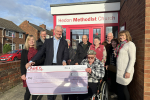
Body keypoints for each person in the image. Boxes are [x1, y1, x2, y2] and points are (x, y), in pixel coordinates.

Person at [25, 25, 69, 100]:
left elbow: (66, 53)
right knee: (50, 87)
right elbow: (40, 52)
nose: (59, 33)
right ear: (54, 31)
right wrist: (31, 61)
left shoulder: (64, 42)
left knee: (61, 86)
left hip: (59, 67)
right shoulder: (48, 41)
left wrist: (64, 60)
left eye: (60, 32)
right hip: (49, 67)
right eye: (57, 31)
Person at [20, 35, 45, 100]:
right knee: (28, 91)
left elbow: (43, 59)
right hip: (28, 74)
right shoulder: (24, 51)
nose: (31, 41)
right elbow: (22, 63)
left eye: (33, 39)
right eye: (29, 40)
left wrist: (35, 63)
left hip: (37, 73)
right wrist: (23, 74)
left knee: (35, 91)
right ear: (27, 41)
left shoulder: (39, 49)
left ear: (35, 41)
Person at [115, 30, 136, 100]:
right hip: (119, 71)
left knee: (124, 89)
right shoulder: (120, 45)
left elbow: (132, 59)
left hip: (125, 71)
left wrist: (128, 71)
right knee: (119, 89)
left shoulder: (130, 44)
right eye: (120, 35)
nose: (121, 37)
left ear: (127, 36)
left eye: (123, 35)